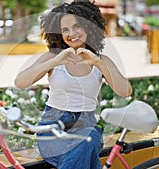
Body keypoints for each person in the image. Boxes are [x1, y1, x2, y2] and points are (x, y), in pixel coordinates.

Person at [14, 1, 132, 168]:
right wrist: (55, 61)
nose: (72, 33)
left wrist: (99, 63)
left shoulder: (101, 60)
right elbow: (20, 82)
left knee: (85, 142)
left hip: (86, 126)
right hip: (52, 127)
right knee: (84, 151)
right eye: (65, 30)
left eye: (77, 27)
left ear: (88, 27)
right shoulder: (53, 57)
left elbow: (125, 91)